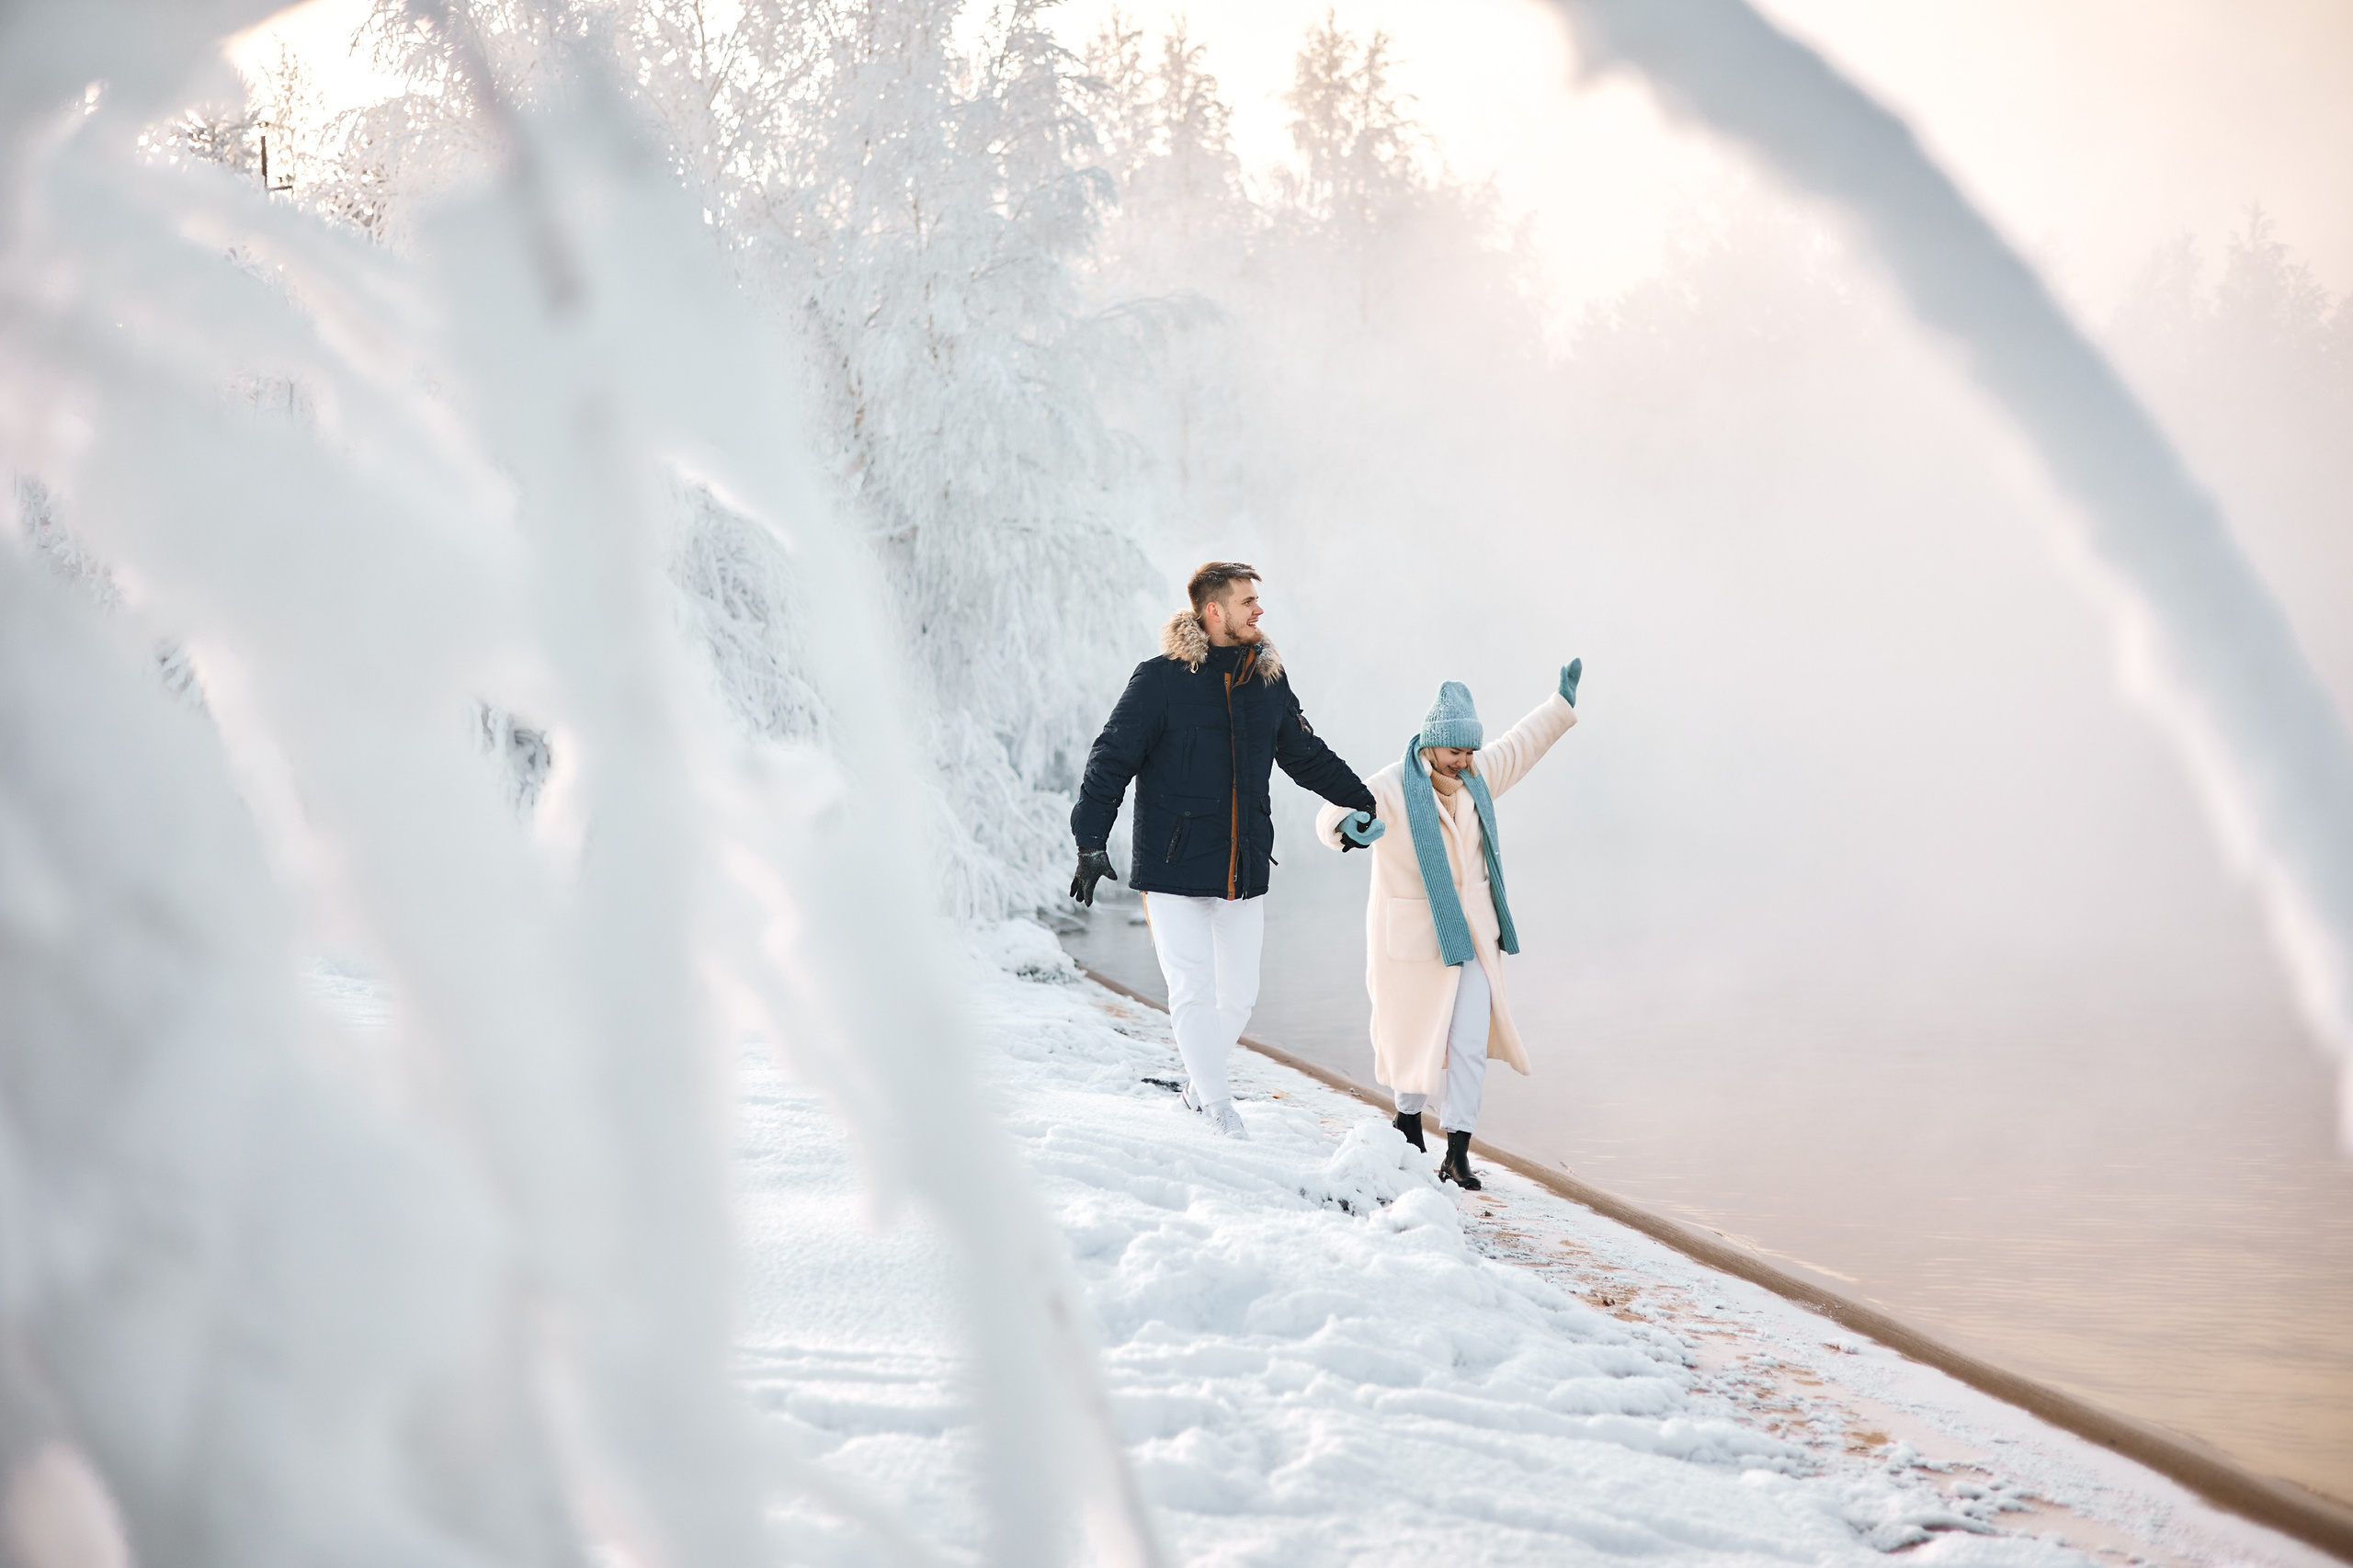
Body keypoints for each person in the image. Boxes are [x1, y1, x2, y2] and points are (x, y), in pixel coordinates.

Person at [1070, 563, 1384, 1139]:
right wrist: (1090, 841)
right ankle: (1219, 1109)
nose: (1258, 611)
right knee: (1190, 988)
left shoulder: (1267, 682)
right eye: (1247, 602)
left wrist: (1359, 801)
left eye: (1256, 601)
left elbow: (1305, 755)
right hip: (1171, 869)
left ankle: (1196, 1088)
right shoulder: (1160, 680)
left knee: (1238, 996)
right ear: (1213, 611)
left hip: (1242, 865)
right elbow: (1110, 759)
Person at [1315, 663, 1583, 1188]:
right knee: (1413, 1035)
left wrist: (1559, 704)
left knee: (1465, 1044)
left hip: (1474, 937)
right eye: (1455, 752)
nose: (1464, 762)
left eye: (1469, 752)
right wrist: (1347, 828)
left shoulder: (1478, 780)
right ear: (1433, 745)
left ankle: (1457, 1150)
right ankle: (1408, 1124)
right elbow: (1332, 813)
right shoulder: (1393, 786)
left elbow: (1521, 745)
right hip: (1413, 942)